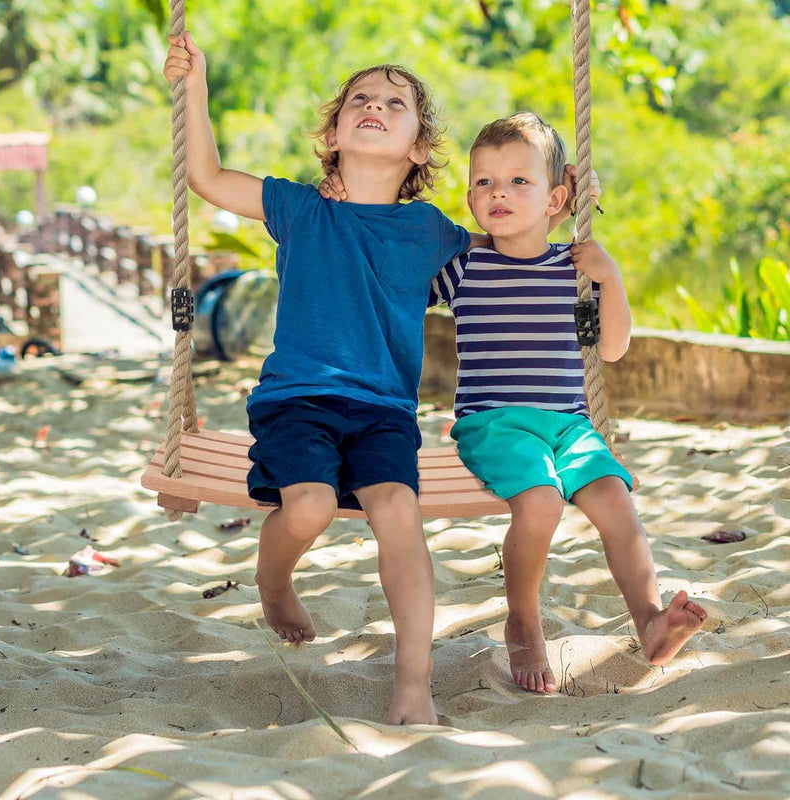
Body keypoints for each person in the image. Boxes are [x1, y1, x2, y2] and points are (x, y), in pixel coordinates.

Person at [163, 34, 482, 724]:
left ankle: (413, 684)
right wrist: (194, 88)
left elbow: (509, 261)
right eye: (360, 98)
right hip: (297, 401)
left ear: (418, 148)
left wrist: (559, 206)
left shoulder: (430, 230)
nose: (374, 105)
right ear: (334, 133)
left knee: (398, 510)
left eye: (395, 102)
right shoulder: (302, 210)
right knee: (304, 507)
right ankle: (272, 585)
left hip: (384, 413)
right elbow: (210, 179)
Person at [428, 112, 707, 692]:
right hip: (494, 424)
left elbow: (612, 348)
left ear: (558, 197)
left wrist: (612, 278)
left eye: (518, 181)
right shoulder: (463, 268)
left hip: (569, 427)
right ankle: (524, 622)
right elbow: (394, 284)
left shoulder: (575, 270)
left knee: (616, 505)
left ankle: (650, 620)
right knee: (541, 502)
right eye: (483, 182)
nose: (498, 192)